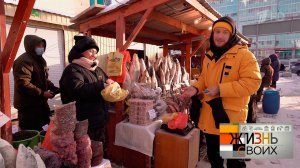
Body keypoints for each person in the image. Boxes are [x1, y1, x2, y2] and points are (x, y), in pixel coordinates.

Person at [180, 16, 261, 168]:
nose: (220, 36)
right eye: (217, 31)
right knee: (214, 160)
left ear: (232, 35)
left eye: (225, 32)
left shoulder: (244, 55)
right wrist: (195, 87)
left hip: (232, 120)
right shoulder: (209, 56)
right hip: (210, 118)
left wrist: (221, 89)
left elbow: (253, 83)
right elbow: (204, 78)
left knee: (235, 162)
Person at [59, 36, 113, 148]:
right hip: (84, 123)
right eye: (90, 51)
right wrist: (101, 85)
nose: (94, 54)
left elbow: (106, 79)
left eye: (95, 51)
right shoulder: (72, 69)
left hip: (100, 119)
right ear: (80, 52)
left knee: (101, 151)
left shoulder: (96, 68)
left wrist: (112, 84)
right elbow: (77, 90)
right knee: (87, 154)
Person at [13, 35, 60, 131]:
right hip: (28, 107)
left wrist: (53, 87)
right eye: (38, 45)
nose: (41, 48)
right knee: (32, 132)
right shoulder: (24, 61)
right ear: (31, 46)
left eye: (43, 45)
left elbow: (43, 78)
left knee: (45, 130)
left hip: (40, 104)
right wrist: (42, 93)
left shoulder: (40, 60)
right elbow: (23, 84)